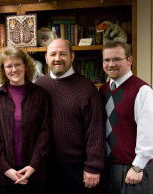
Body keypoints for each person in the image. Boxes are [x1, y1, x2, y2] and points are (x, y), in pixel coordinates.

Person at [36, 38, 105, 194]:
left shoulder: (87, 89)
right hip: (44, 167)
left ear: (72, 57)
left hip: (77, 168)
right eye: (52, 54)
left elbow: (95, 130)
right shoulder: (39, 87)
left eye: (63, 54)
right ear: (46, 58)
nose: (57, 59)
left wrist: (93, 166)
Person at [0, 47, 51, 194]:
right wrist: (6, 169)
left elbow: (45, 132)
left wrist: (34, 165)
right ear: (3, 69)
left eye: (18, 64)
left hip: (34, 171)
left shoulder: (41, 95)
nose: (14, 69)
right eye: (9, 66)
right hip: (4, 173)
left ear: (25, 66)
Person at [100, 41, 153, 194]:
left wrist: (138, 167)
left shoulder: (142, 90)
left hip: (133, 169)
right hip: (108, 169)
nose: (111, 64)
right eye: (106, 60)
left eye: (116, 59)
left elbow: (149, 132)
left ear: (129, 60)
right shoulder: (103, 90)